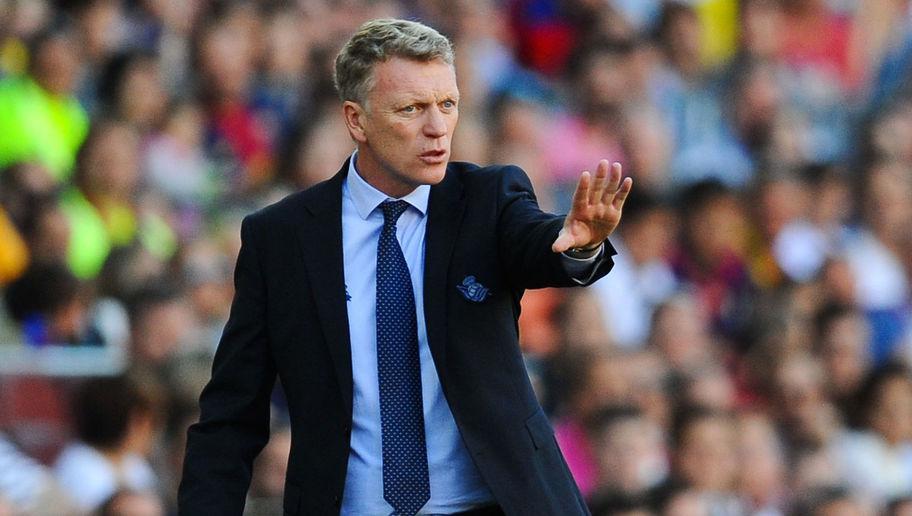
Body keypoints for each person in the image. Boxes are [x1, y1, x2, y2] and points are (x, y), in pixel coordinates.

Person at [179, 18, 632, 516]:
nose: (437, 128)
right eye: (412, 109)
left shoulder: (487, 199)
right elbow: (230, 415)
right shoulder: (282, 237)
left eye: (448, 105)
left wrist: (578, 245)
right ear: (357, 121)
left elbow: (534, 241)